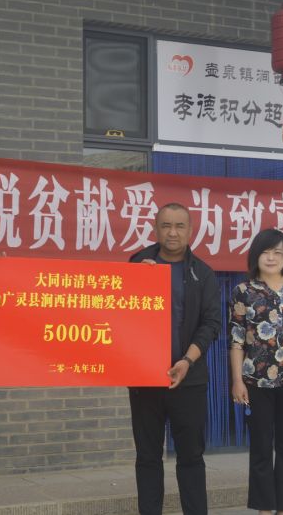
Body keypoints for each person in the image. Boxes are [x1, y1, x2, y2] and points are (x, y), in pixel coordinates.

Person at [127, 203, 222, 515]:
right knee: (148, 457)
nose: (172, 232)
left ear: (190, 231)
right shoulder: (138, 263)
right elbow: (119, 314)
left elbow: (211, 324)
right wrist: (135, 281)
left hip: (188, 379)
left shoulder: (203, 273)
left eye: (179, 226)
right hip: (145, 379)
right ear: (155, 229)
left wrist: (186, 361)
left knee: (191, 457)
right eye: (166, 225)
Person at [229, 229, 283, 515]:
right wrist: (237, 381)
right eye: (266, 252)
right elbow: (237, 339)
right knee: (261, 447)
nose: (271, 257)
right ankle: (264, 509)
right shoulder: (243, 291)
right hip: (255, 382)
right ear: (256, 255)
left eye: (278, 252)